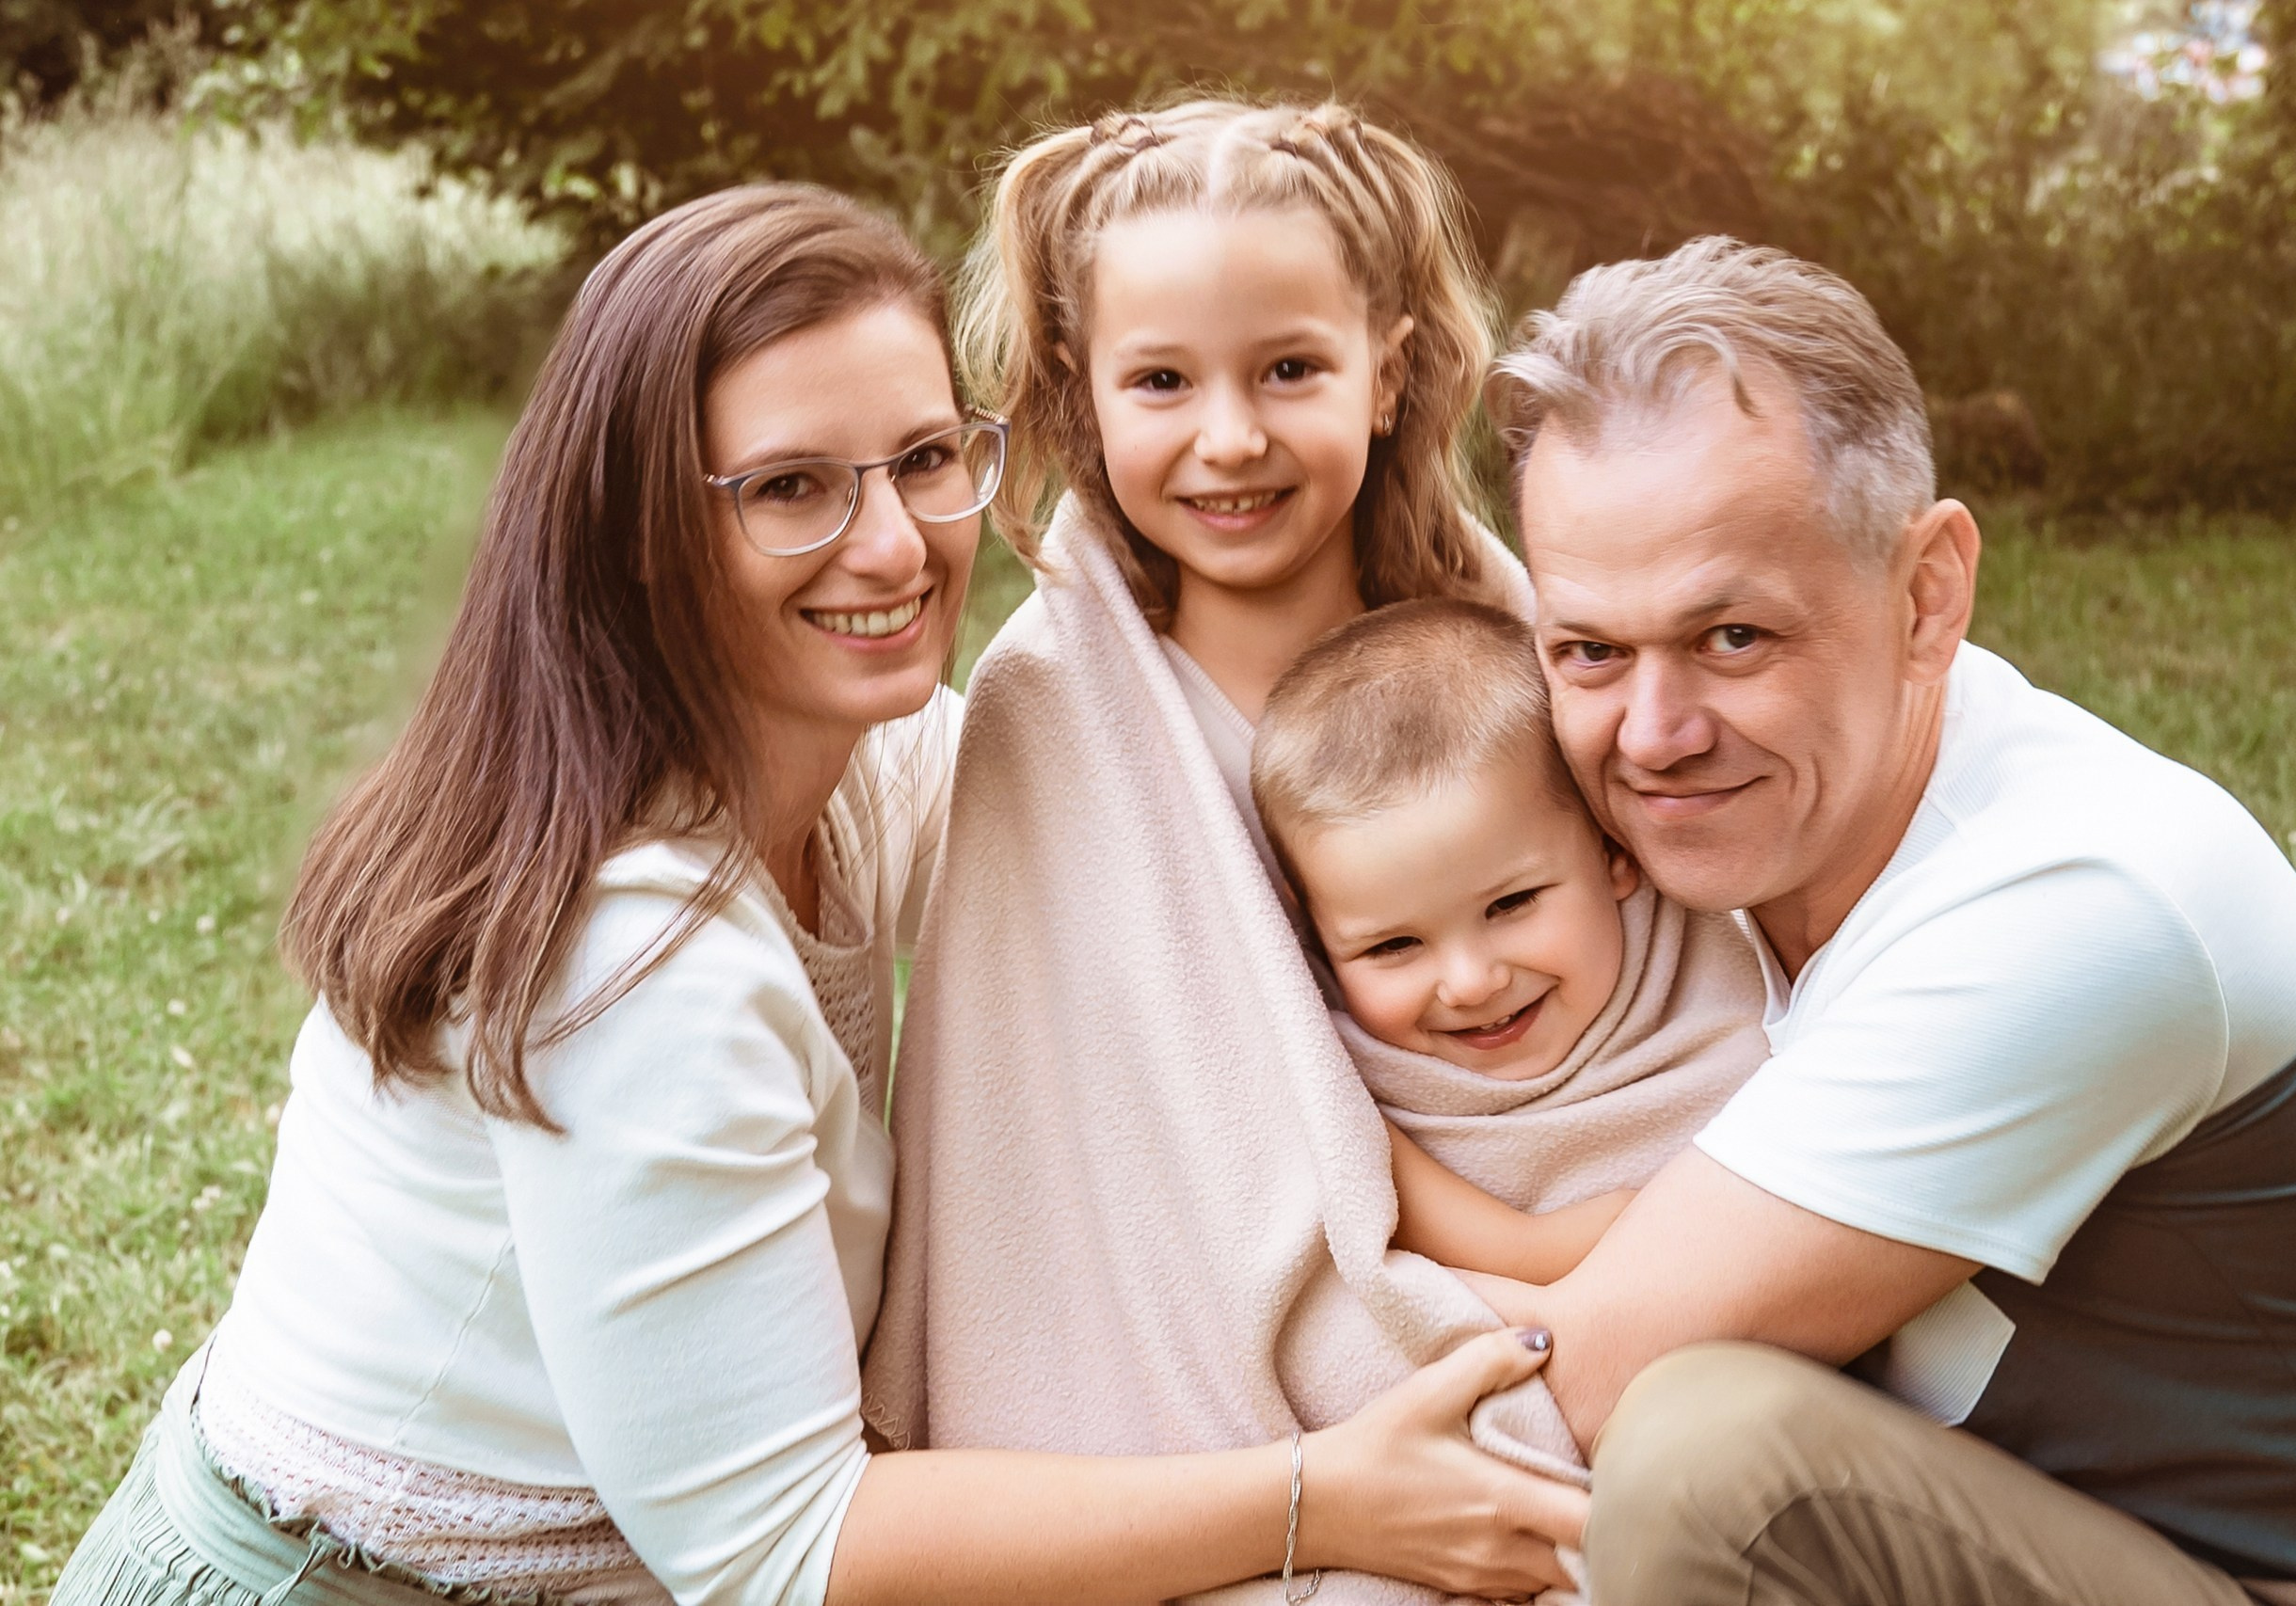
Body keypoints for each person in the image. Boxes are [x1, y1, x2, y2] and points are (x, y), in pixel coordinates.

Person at [47, 183, 1591, 1606]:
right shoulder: (635, 963)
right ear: (643, 527)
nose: (893, 543)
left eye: (923, 460)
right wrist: (1322, 1496)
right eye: (790, 485)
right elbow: (788, 1546)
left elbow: (1187, 831)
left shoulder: (862, 769)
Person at [1481, 235, 2296, 1606]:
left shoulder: (2079, 904)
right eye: (1590, 651)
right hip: (2010, 1514)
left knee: (1702, 1462)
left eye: (1734, 638)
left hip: (2264, 1584)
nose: (1654, 735)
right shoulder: (1747, 829)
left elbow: (1583, 1382)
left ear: (1927, 594)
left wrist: (1236, 1467)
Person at [863, 100, 1618, 1599]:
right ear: (1080, 394)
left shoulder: (1510, 657)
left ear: (1388, 369)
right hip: (1207, 1383)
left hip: (1593, 1269)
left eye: (1288, 369)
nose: (1230, 438)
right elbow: (1078, 1162)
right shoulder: (1050, 714)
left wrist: (1614, 1233)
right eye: (1162, 380)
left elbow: (1673, 984)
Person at [1248, 596, 1765, 1287]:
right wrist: (1537, 1250)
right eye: (1393, 946)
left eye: (1510, 904)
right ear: (1313, 935)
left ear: (1614, 850)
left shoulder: (1725, 987)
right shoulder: (1341, 1092)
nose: (1470, 983)